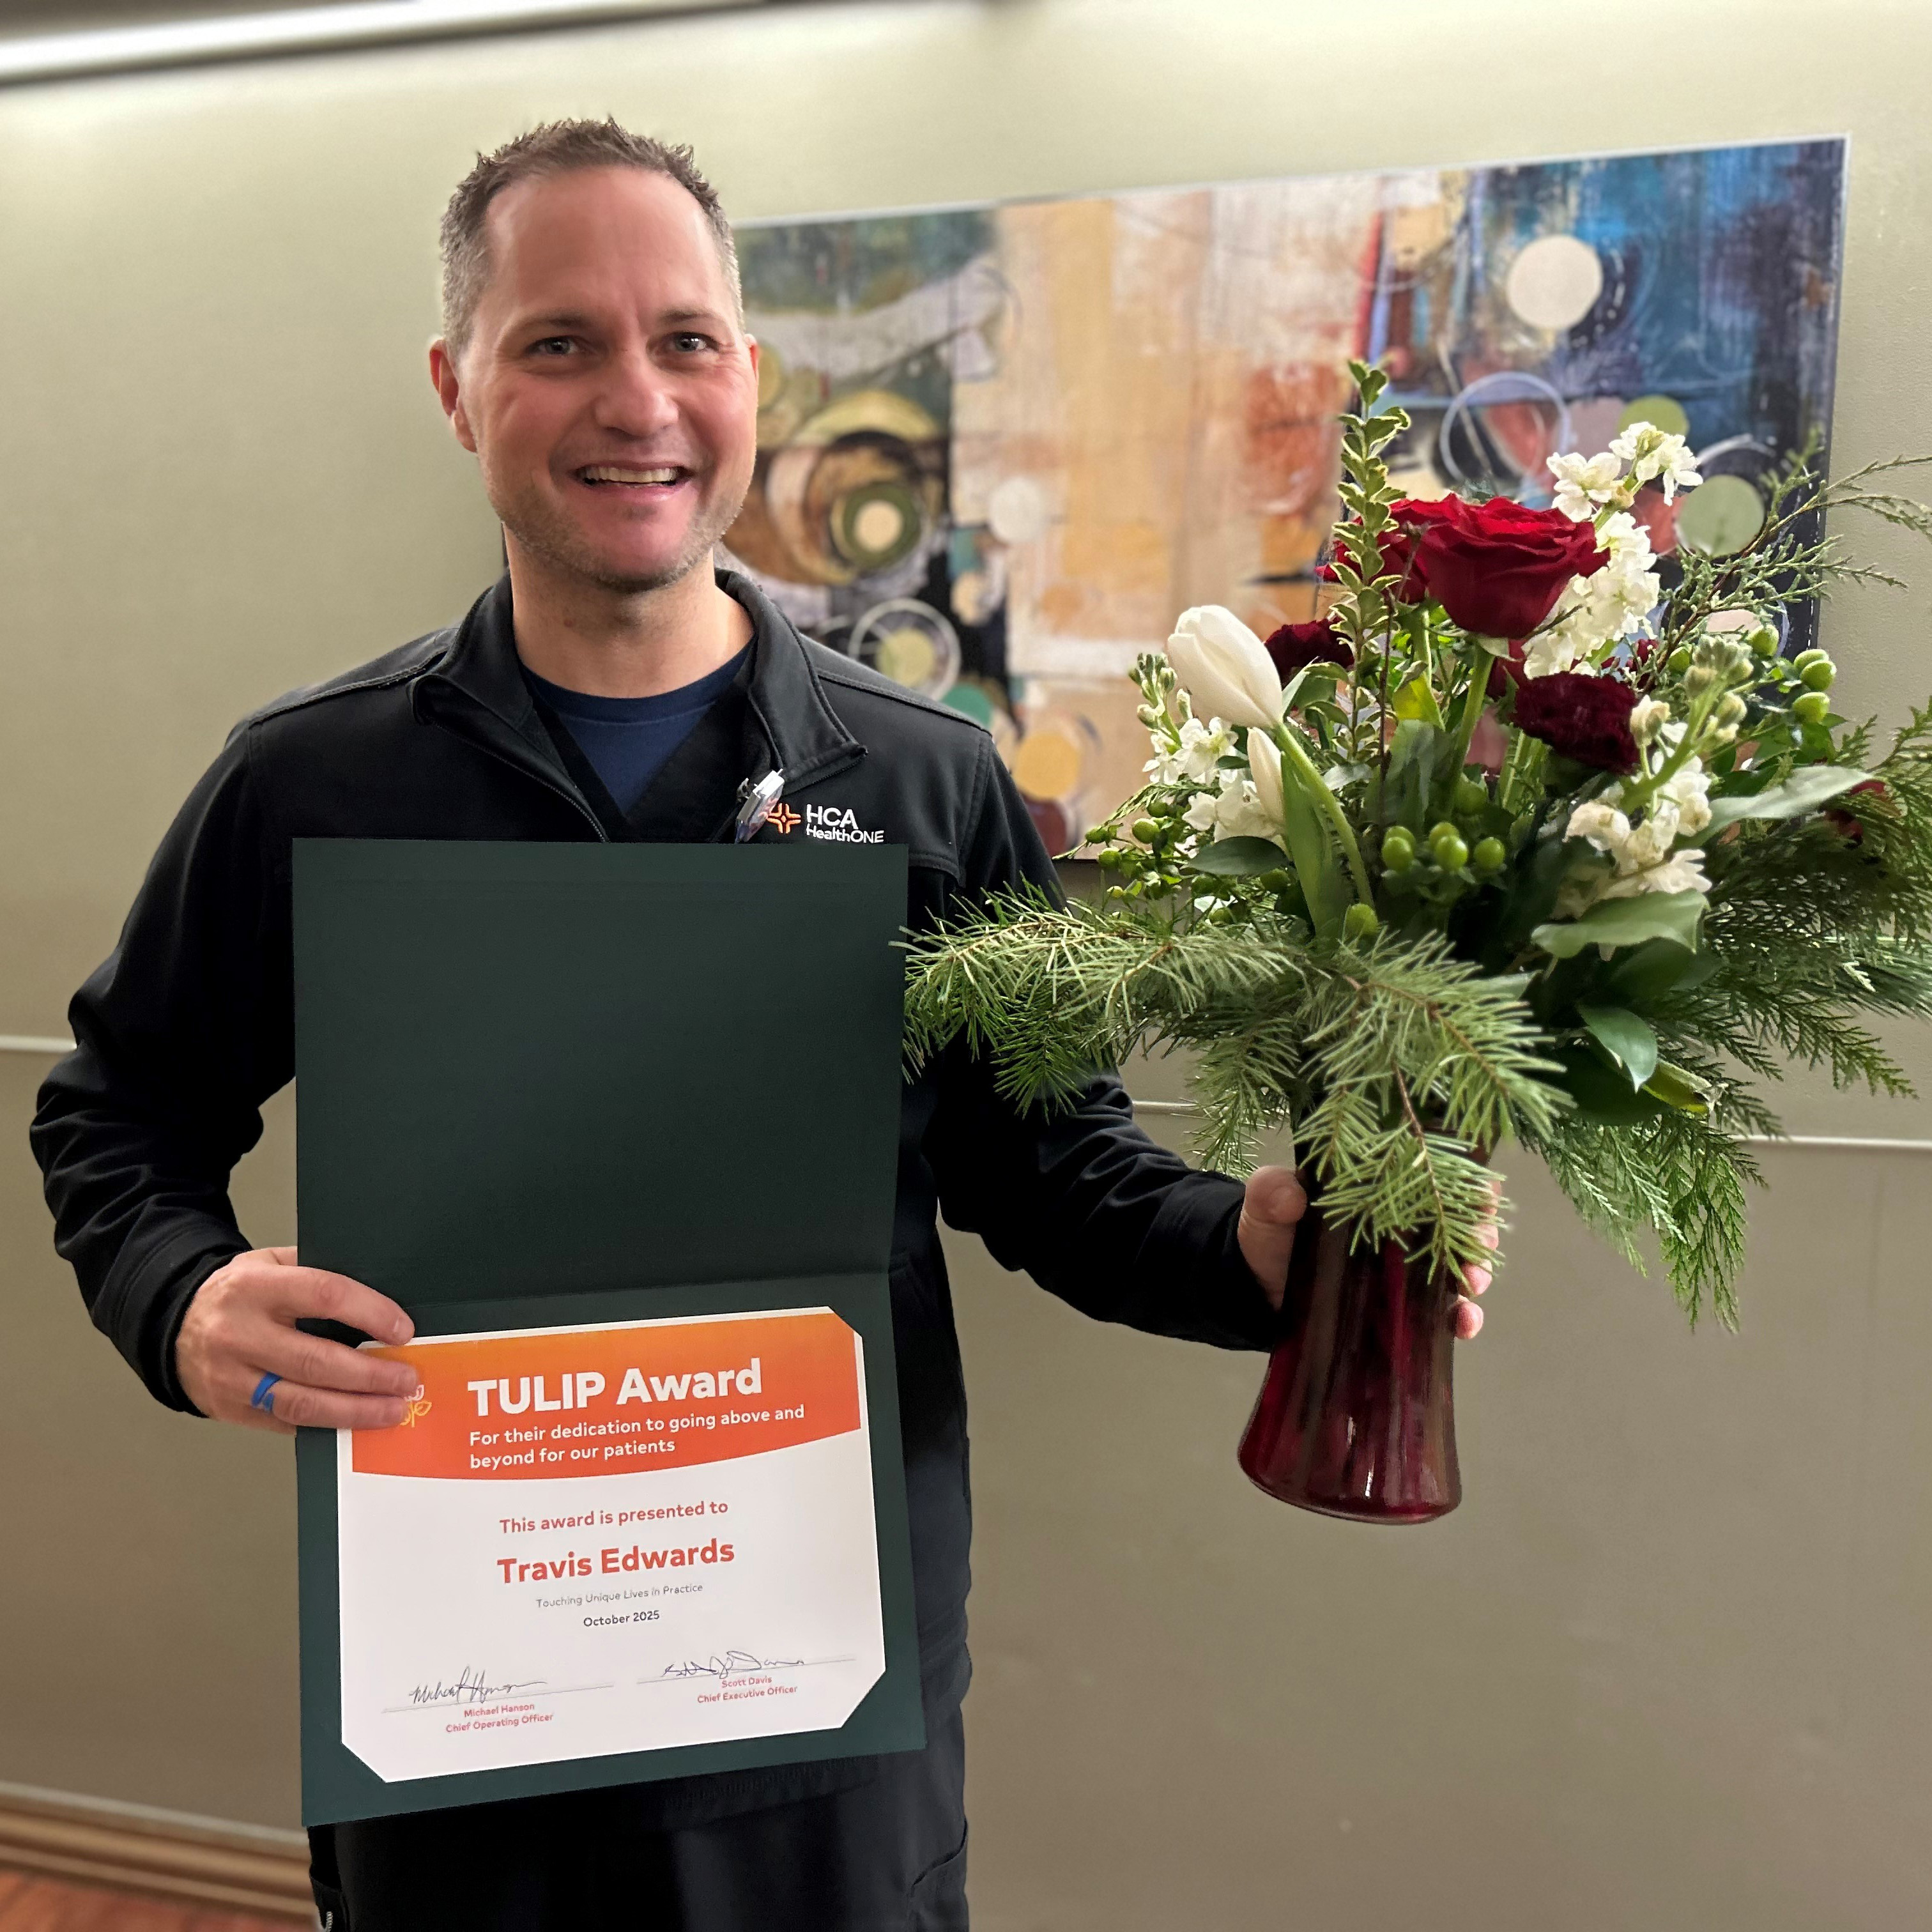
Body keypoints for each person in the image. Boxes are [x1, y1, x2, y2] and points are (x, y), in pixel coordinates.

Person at [31, 119, 1492, 1932]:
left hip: (811, 1684)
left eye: (686, 340)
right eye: (558, 341)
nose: (633, 398)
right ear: (454, 385)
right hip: (461, 1679)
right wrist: (179, 1296)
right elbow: (120, 1112)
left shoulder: (923, 782)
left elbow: (1052, 1173)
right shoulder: (311, 782)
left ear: (753, 376)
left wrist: (1254, 1252)